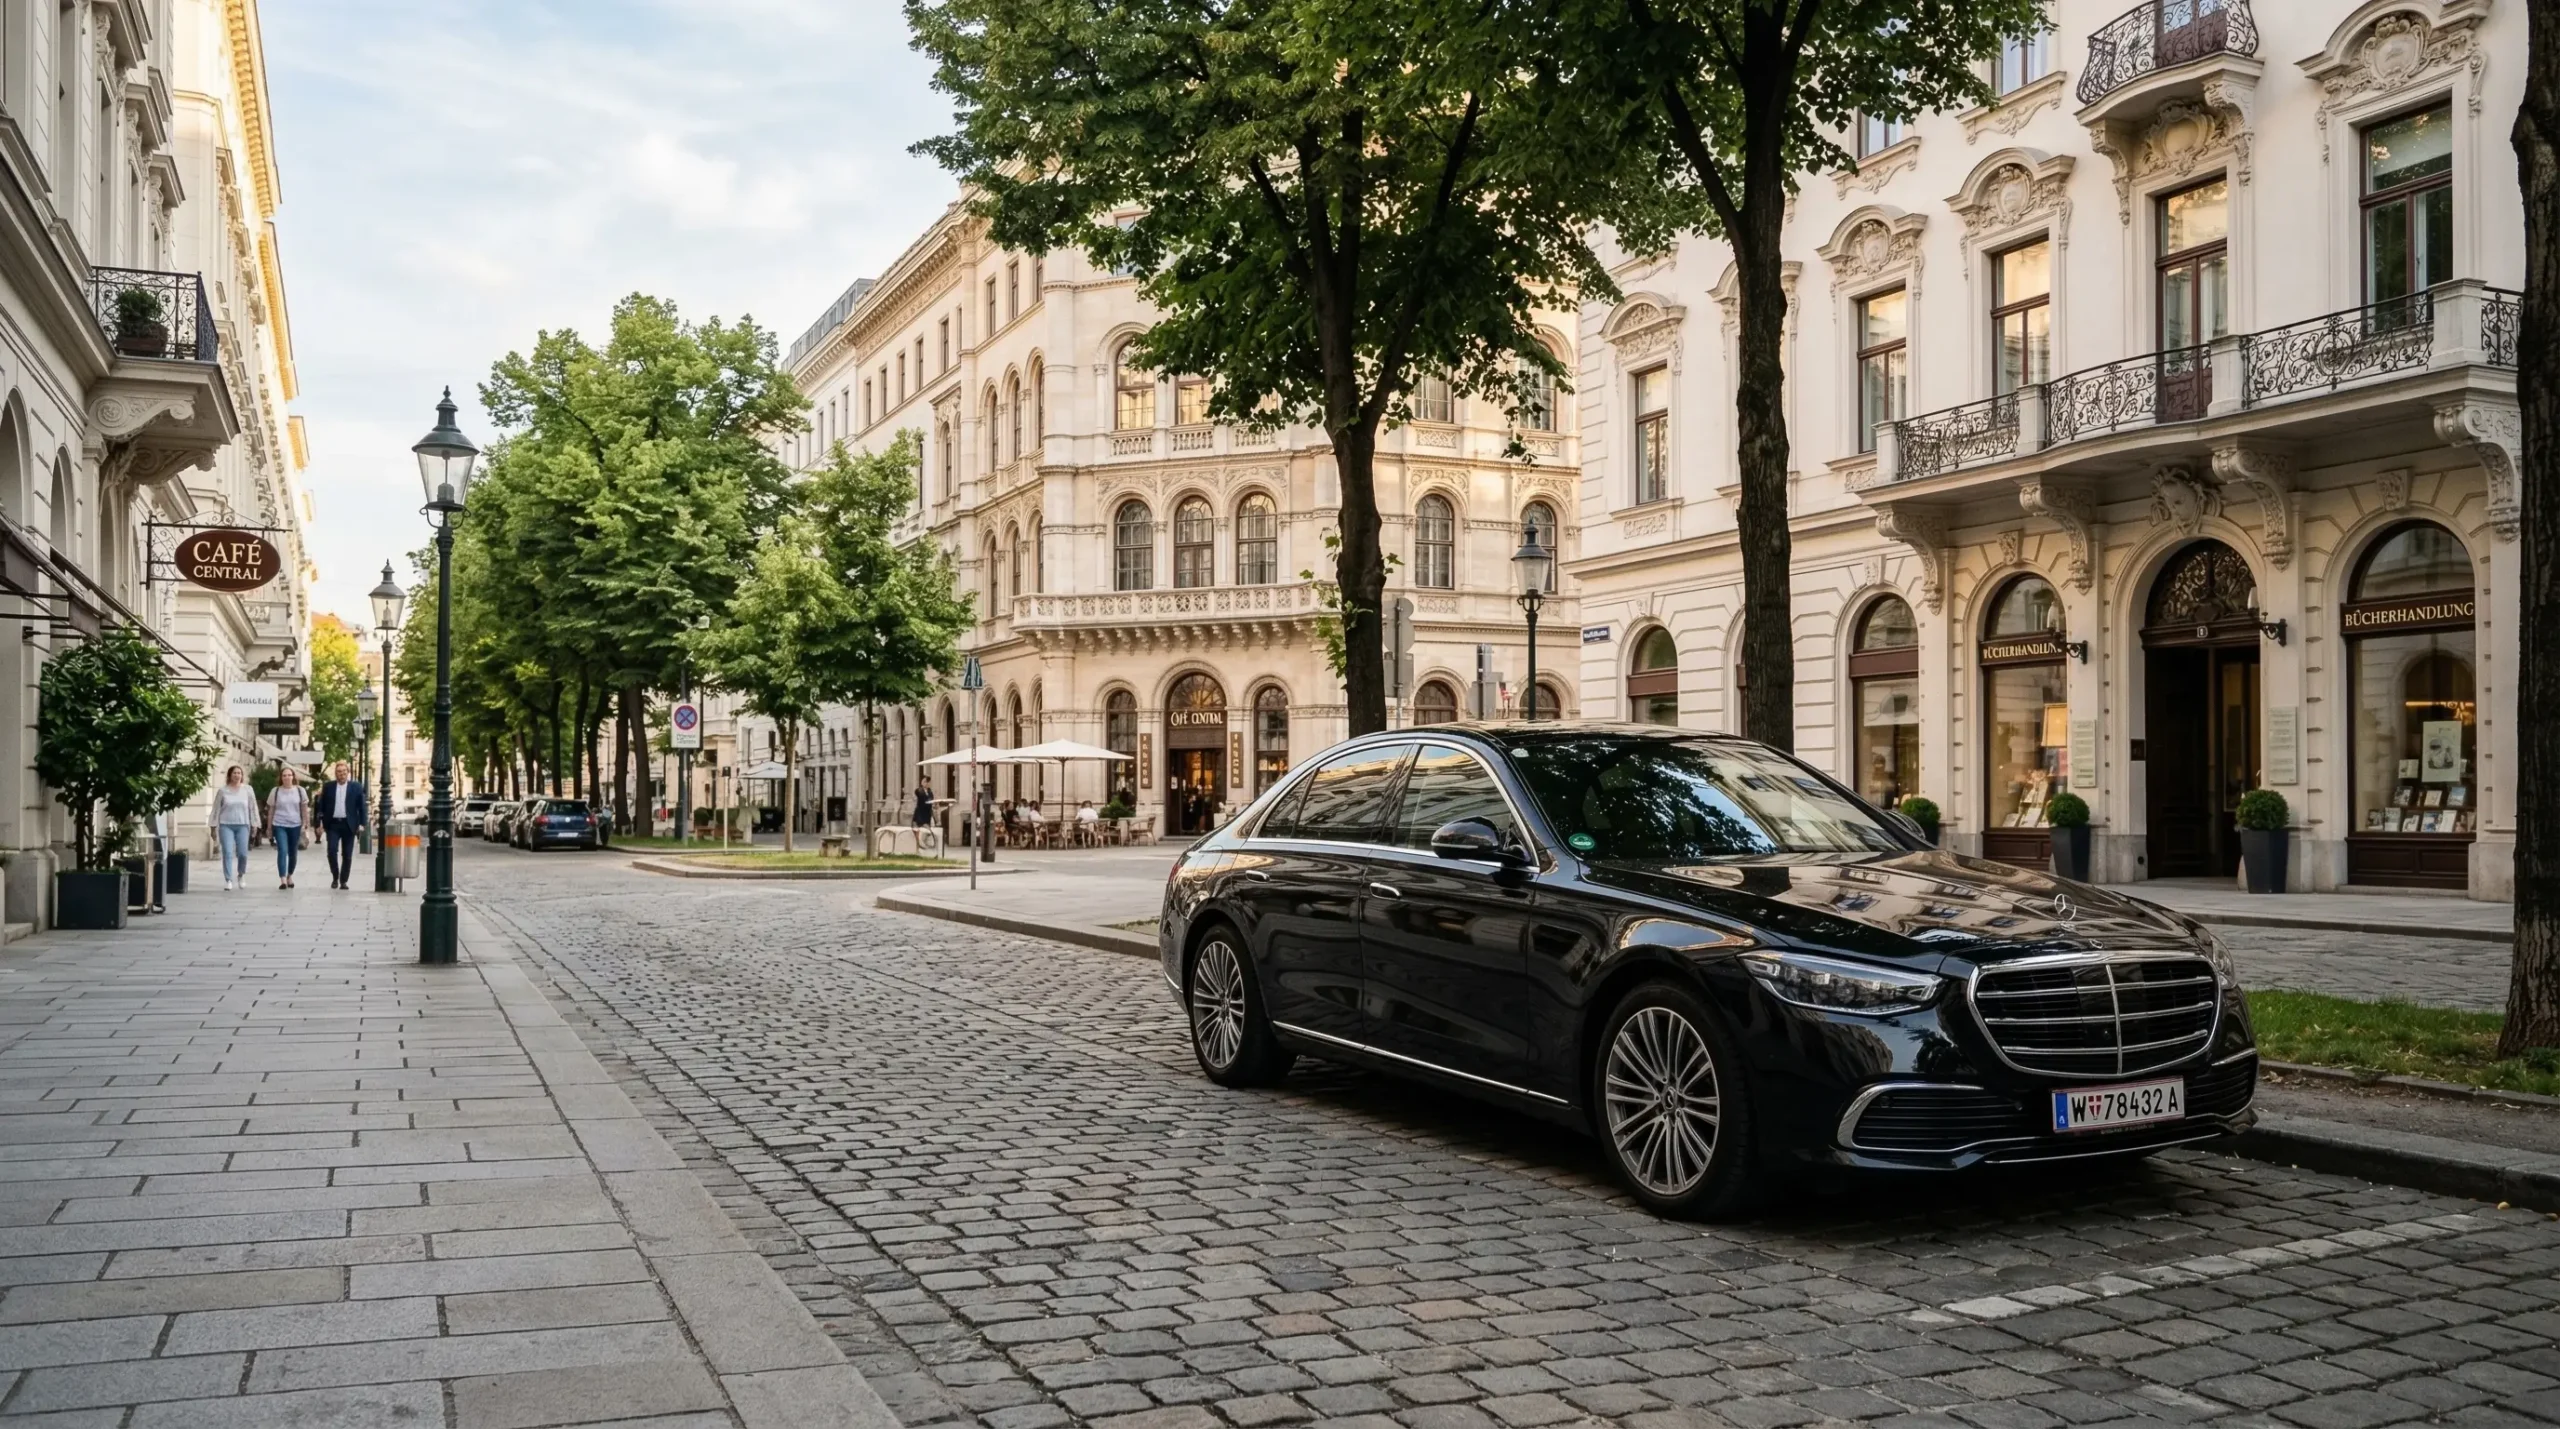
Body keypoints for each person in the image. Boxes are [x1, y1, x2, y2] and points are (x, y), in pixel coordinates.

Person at [315, 760, 369, 890]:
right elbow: (320, 806)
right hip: (333, 824)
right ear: (336, 774)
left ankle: (343, 881)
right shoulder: (328, 787)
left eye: (344, 772)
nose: (342, 774)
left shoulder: (356, 787)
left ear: (348, 773)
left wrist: (362, 823)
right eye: (339, 772)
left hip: (349, 825)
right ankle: (335, 876)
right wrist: (318, 823)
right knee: (332, 851)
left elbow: (362, 806)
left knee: (347, 854)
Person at [211, 766, 256, 890]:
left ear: (242, 775)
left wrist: (254, 824)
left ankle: (241, 874)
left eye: (239, 773)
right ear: (230, 775)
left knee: (242, 853)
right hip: (226, 825)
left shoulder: (247, 790)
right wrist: (213, 826)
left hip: (243, 825)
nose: (237, 775)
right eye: (235, 773)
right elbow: (216, 809)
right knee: (227, 852)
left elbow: (252, 808)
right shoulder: (223, 791)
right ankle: (228, 879)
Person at [266, 765, 309, 889]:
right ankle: (283, 879)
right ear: (281, 777)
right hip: (279, 824)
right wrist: (269, 827)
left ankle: (290, 875)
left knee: (293, 852)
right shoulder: (276, 791)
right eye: (284, 775)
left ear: (293, 777)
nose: (287, 777)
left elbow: (304, 808)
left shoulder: (300, 791)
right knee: (282, 850)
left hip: (295, 824)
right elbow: (271, 810)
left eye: (289, 775)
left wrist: (305, 824)